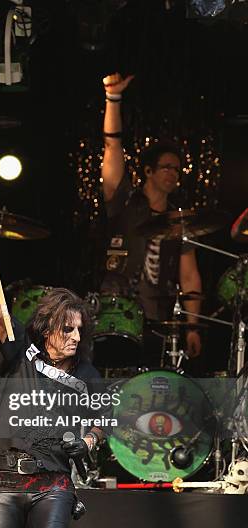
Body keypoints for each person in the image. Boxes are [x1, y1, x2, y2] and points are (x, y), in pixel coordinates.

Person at [0, 234, 106, 528]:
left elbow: (102, 421)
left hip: (54, 482)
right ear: (48, 327)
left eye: (80, 330)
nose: (75, 337)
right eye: (68, 329)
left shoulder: (86, 372)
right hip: (5, 479)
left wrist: (89, 442)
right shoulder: (20, 354)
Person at [101, 72, 203, 364]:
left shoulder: (178, 220)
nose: (174, 174)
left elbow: (189, 275)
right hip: (114, 315)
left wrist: (192, 328)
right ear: (148, 170)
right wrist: (113, 99)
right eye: (167, 167)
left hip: (157, 322)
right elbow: (112, 146)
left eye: (178, 170)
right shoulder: (124, 202)